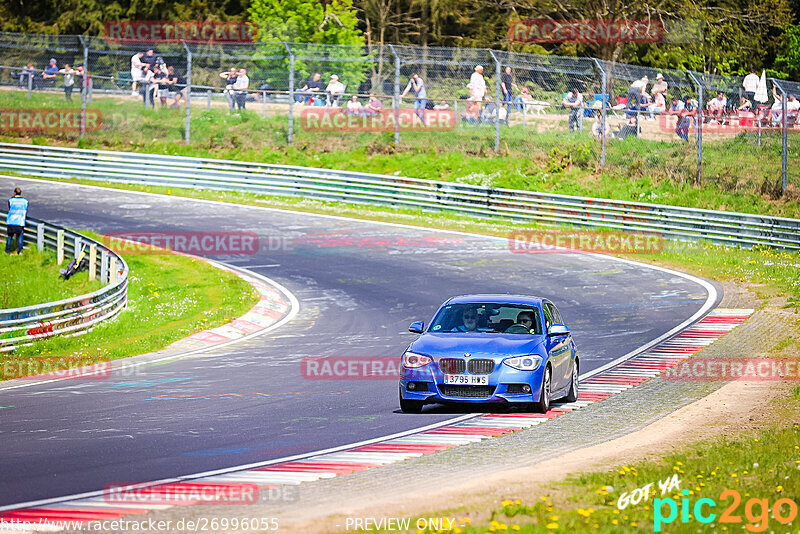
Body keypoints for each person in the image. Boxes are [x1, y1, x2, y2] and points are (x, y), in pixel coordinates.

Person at [5, 187, 28, 254]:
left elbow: (9, 207)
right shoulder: (25, 201)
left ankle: (7, 251)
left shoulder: (11, 200)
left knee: (9, 237)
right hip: (20, 221)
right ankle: (20, 251)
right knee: (20, 237)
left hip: (11, 221)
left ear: (15, 192)